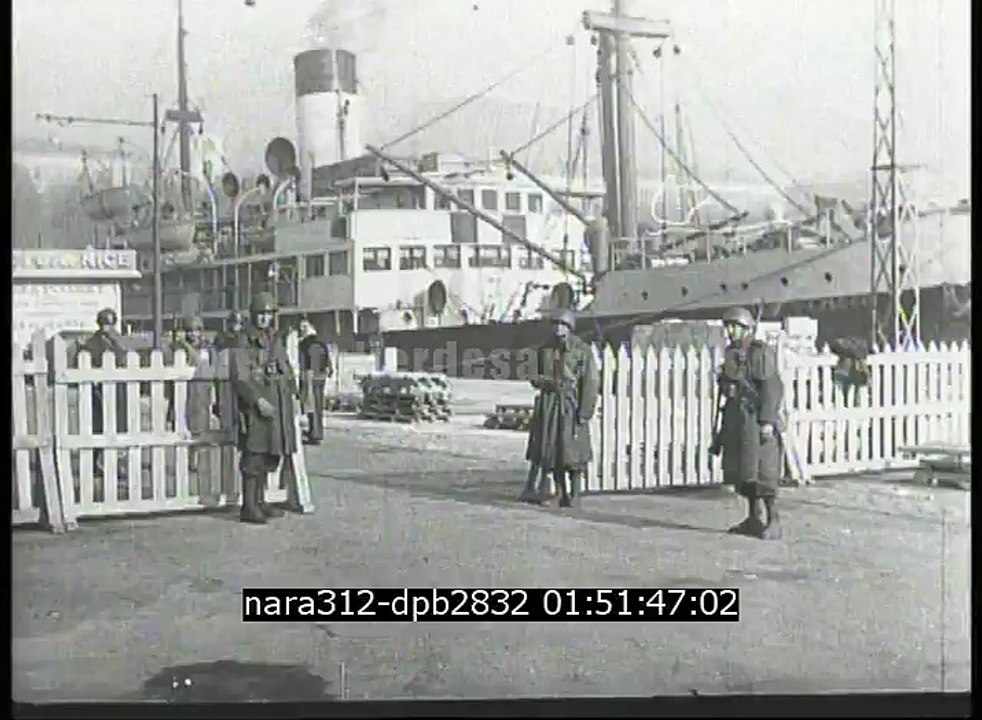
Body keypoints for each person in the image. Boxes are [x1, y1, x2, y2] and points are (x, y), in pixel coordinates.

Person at [229, 291, 300, 524]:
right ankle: (249, 506)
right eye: (260, 314)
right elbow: (240, 376)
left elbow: (285, 367)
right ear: (253, 315)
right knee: (253, 457)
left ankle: (260, 501)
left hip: (278, 403)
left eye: (268, 314)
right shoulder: (243, 340)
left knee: (270, 455)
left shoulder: (275, 338)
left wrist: (291, 390)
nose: (264, 318)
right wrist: (257, 400)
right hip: (256, 406)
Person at [713, 306, 784, 540]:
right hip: (737, 418)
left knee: (763, 471)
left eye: (735, 327)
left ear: (747, 329)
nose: (731, 331)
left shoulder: (759, 353)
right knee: (744, 473)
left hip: (755, 419)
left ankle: (774, 520)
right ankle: (753, 518)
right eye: (728, 327)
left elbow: (772, 388)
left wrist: (767, 421)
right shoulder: (732, 353)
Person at [521, 307, 599, 508]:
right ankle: (558, 492)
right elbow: (534, 377)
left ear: (570, 327)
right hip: (549, 406)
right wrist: (547, 382)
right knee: (552, 451)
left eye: (563, 325)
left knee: (573, 453)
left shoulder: (582, 350)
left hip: (571, 406)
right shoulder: (545, 349)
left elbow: (590, 381)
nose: (558, 329)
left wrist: (584, 412)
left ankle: (574, 494)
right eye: (555, 324)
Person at [82, 308, 129, 475]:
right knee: (98, 425)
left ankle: (119, 463)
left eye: (109, 323)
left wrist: (114, 339)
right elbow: (86, 357)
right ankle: (96, 462)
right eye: (103, 323)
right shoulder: (92, 342)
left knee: (119, 425)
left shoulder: (119, 340)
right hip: (98, 390)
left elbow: (125, 355)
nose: (106, 327)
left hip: (118, 390)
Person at [169, 315, 213, 472]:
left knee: (200, 426)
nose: (192, 334)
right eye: (189, 331)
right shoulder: (178, 347)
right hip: (184, 391)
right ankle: (186, 459)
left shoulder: (205, 347)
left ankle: (197, 459)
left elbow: (197, 359)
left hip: (200, 391)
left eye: (195, 331)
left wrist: (184, 345)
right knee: (183, 424)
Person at [297, 315, 334, 445]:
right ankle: (317, 432)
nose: (302, 329)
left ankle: (314, 433)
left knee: (311, 406)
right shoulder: (321, 342)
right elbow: (328, 360)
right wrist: (329, 369)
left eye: (305, 326)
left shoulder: (305, 343)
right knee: (317, 406)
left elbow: (303, 362)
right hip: (320, 376)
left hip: (310, 376)